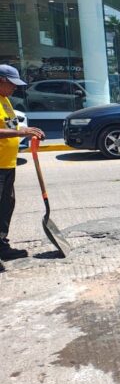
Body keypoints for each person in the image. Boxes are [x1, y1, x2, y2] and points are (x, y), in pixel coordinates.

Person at [0, 64, 46, 265]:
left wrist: (28, 130)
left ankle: (2, 246)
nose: (15, 87)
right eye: (12, 83)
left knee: (6, 206)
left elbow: (11, 126)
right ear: (1, 80)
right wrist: (21, 132)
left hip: (7, 164)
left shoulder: (5, 101)